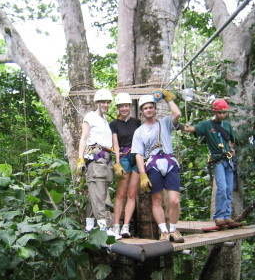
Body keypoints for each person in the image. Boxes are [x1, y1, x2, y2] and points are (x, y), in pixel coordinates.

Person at [131, 90, 184, 242]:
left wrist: (168, 99)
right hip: (152, 164)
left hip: (169, 162)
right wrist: (142, 175)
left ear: (154, 108)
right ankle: (164, 231)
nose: (148, 110)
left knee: (174, 200)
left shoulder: (165, 123)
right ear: (142, 111)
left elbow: (177, 114)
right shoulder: (139, 132)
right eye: (145, 108)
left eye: (150, 107)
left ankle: (173, 229)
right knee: (157, 200)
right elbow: (138, 155)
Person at [184, 99, 242, 228]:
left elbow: (231, 141)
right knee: (221, 188)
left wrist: (232, 149)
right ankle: (219, 217)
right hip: (217, 160)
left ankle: (227, 216)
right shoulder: (207, 125)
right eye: (219, 113)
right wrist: (186, 127)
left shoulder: (227, 125)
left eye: (223, 113)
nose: (222, 115)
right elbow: (193, 129)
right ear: (214, 112)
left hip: (228, 160)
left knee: (228, 189)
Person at [76, 89, 121, 240]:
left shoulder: (105, 120)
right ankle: (103, 227)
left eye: (108, 102)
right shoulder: (90, 117)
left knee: (97, 194)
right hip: (95, 159)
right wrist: (80, 159)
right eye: (103, 102)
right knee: (98, 193)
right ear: (97, 103)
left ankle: (89, 225)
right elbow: (84, 138)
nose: (105, 104)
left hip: (106, 159)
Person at [110, 92, 142, 238]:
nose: (124, 108)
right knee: (120, 194)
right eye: (121, 106)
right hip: (123, 157)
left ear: (130, 106)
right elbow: (115, 144)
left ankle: (126, 226)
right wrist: (117, 163)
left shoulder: (136, 122)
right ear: (118, 108)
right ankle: (116, 225)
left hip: (137, 157)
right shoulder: (114, 124)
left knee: (132, 194)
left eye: (126, 105)